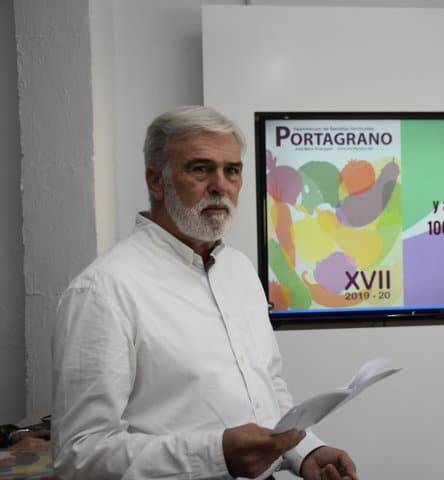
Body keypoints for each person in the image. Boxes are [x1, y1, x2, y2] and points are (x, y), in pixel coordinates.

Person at [52, 106, 358, 480]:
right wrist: (215, 455)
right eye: (200, 169)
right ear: (156, 181)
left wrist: (306, 451)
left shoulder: (239, 270)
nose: (220, 185)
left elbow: (267, 389)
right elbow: (79, 455)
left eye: (232, 171)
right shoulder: (104, 291)